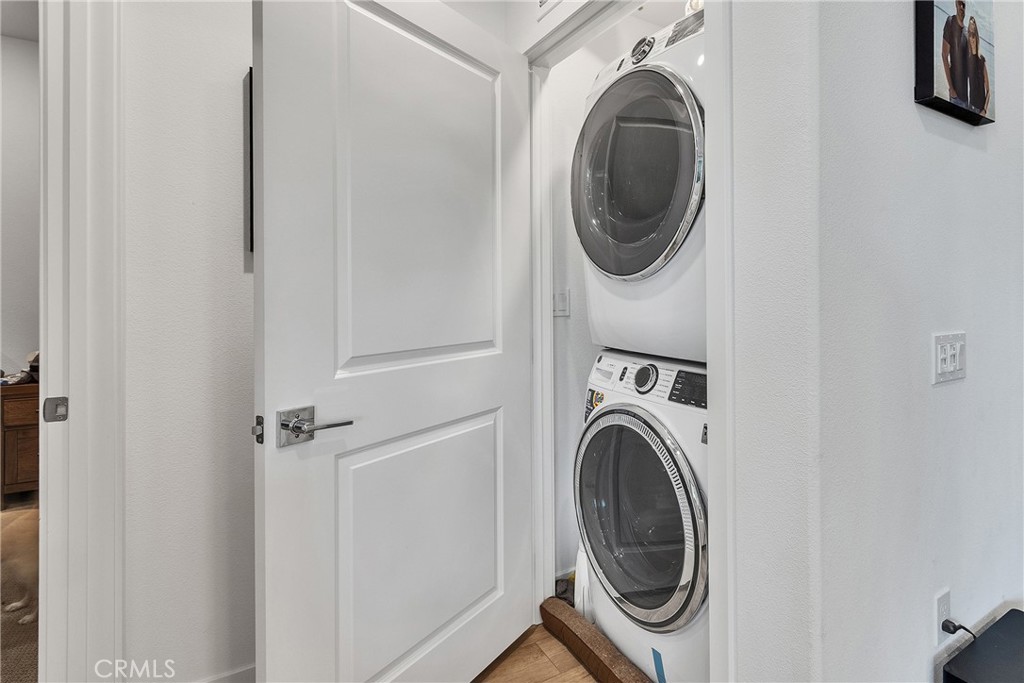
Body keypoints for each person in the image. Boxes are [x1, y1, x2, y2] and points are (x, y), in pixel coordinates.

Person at [942, 0, 969, 107]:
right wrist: (951, 88)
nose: (961, 7)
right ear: (955, 4)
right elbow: (944, 56)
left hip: (966, 97)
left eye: (964, 5)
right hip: (956, 96)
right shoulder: (950, 21)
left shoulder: (967, 32)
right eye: (959, 4)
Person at [966, 17, 990, 117]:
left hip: (980, 111)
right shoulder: (967, 60)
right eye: (970, 34)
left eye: (974, 34)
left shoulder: (982, 60)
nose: (972, 37)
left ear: (977, 36)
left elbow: (988, 90)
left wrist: (984, 110)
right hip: (969, 108)